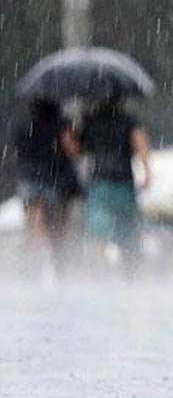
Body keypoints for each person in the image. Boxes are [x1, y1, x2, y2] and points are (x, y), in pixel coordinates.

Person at [76, 95, 152, 277]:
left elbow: (77, 149)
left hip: (100, 184)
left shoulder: (89, 120)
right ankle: (130, 276)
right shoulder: (128, 120)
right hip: (124, 183)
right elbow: (139, 143)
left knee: (98, 235)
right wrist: (147, 171)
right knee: (128, 236)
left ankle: (98, 276)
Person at [8, 99, 81, 276]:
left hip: (29, 180)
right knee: (58, 229)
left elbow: (17, 153)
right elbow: (74, 151)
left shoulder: (23, 127)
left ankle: (32, 268)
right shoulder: (62, 126)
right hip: (56, 180)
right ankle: (59, 266)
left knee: (34, 227)